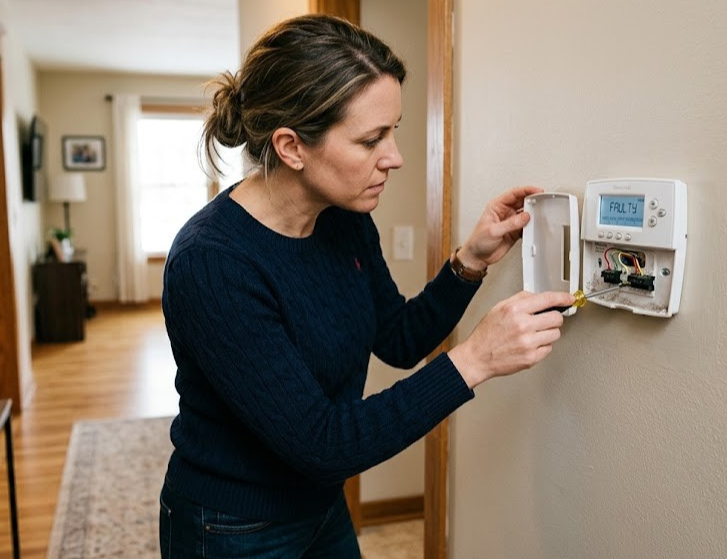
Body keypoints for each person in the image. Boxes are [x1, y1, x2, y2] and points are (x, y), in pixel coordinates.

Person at [159, 14, 575, 559]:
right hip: (231, 527)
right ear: (291, 147)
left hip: (321, 507)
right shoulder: (212, 265)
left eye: (394, 130)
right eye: (371, 139)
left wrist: (469, 262)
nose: (395, 157)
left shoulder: (343, 218)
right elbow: (321, 443)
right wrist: (475, 360)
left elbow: (398, 341)